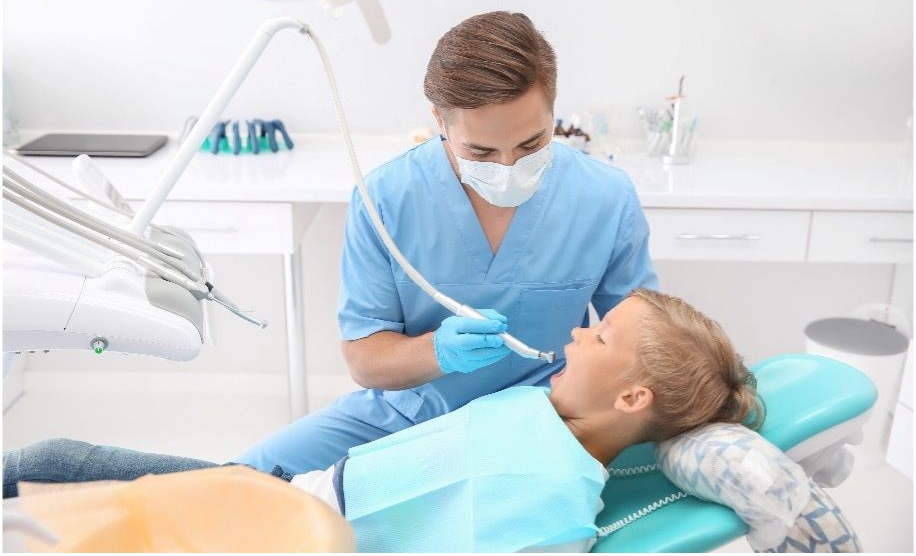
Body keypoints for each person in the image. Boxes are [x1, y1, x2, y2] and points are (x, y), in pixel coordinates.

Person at [4, 289, 763, 552]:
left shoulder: (560, 504)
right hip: (280, 492)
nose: (574, 334)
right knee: (54, 463)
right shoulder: (539, 403)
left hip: (289, 532)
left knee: (60, 480)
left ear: (633, 398)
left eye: (597, 337)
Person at [233, 10, 658, 475]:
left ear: (552, 110)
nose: (509, 166)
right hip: (407, 415)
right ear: (439, 119)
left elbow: (648, 338)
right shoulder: (386, 198)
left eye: (531, 144)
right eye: (481, 151)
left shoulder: (604, 198)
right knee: (234, 485)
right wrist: (436, 351)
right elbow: (365, 360)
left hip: (542, 421)